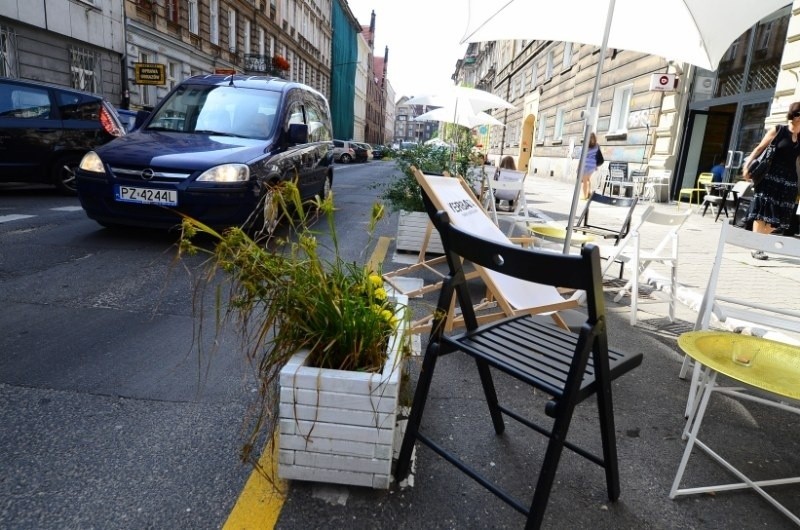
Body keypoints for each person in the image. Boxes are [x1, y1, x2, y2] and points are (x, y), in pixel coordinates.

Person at [742, 102, 800, 260]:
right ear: (796, 116)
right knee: (763, 213)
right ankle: (757, 247)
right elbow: (759, 149)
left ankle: (756, 241)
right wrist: (747, 166)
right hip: (770, 176)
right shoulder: (779, 130)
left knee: (780, 218)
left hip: (789, 181)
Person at [580, 132, 602, 200]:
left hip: (586, 164)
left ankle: (585, 195)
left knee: (584, 181)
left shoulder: (586, 145)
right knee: (588, 180)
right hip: (592, 165)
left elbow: (583, 156)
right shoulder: (597, 145)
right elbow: (597, 156)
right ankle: (588, 193)